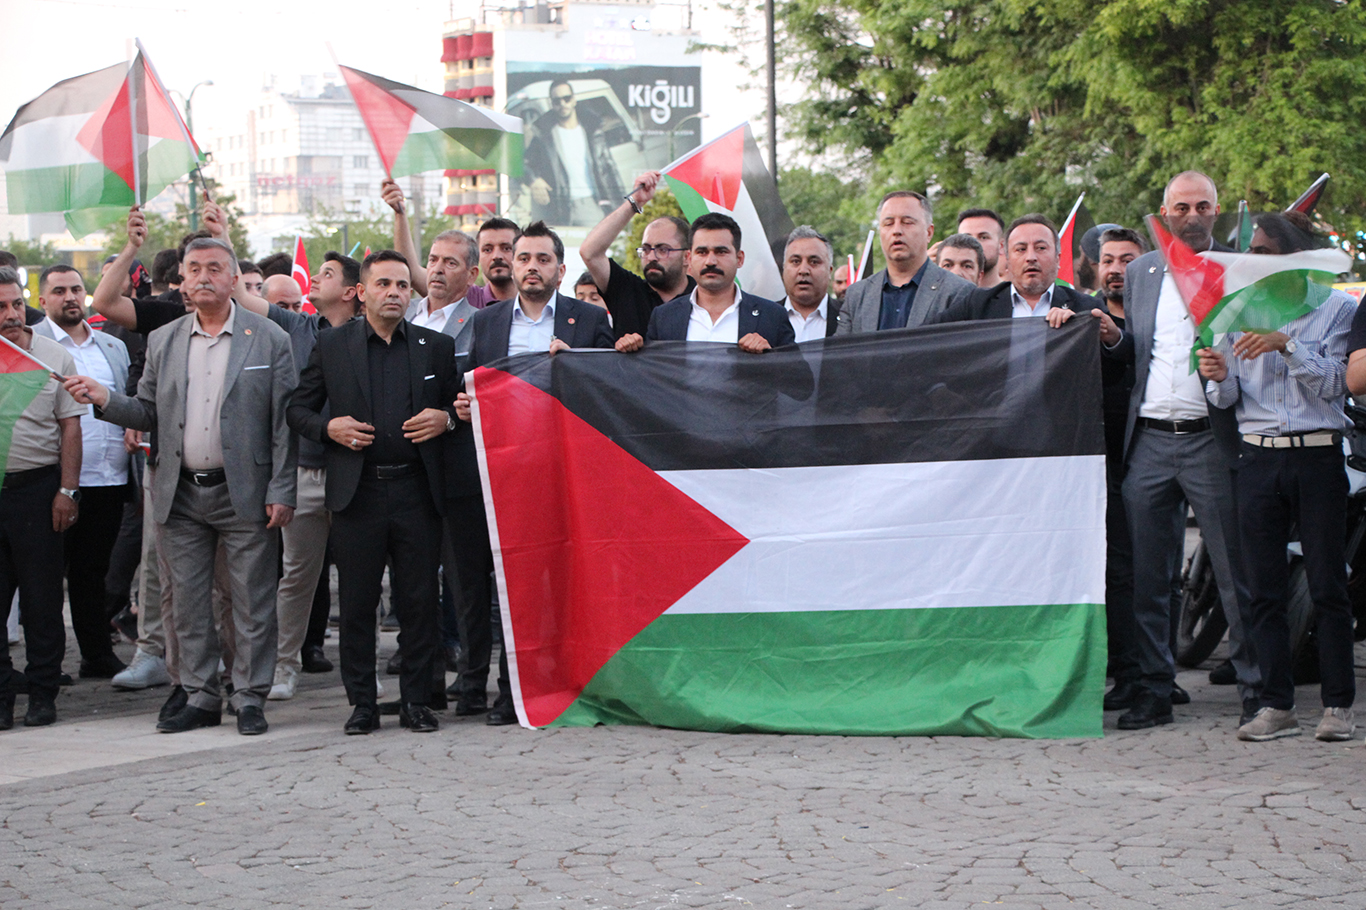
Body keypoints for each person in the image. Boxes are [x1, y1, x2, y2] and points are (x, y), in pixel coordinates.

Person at [65, 238, 299, 737]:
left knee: (251, 602)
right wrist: (106, 398)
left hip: (248, 492)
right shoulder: (166, 339)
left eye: (215, 268)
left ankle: (250, 696)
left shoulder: (268, 338)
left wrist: (283, 489)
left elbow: (284, 423)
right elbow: (147, 411)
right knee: (187, 602)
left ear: (233, 278)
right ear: (182, 280)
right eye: (194, 269)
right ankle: (199, 695)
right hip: (179, 491)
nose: (203, 277)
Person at [1198, 212, 1358, 742]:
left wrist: (1285, 345)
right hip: (1257, 457)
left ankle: (1338, 707)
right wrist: (1215, 377)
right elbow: (1225, 396)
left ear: (1294, 257)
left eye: (1265, 252)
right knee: (1262, 589)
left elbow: (1339, 386)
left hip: (1316, 456)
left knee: (1327, 584)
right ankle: (1277, 706)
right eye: (1252, 253)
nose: (1254, 262)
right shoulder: (1236, 311)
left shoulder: (1337, 308)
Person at [1109, 170, 1260, 731]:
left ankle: (1255, 690)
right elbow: (1140, 349)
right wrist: (1111, 338)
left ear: (1216, 211)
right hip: (1147, 440)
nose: (1191, 216)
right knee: (1150, 577)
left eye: (1202, 206)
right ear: (1164, 212)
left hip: (1211, 440)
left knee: (1232, 573)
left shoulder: (1237, 272)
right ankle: (1153, 689)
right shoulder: (1142, 271)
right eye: (1180, 207)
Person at [288, 251, 461, 735]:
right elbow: (297, 410)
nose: (395, 292)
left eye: (403, 285)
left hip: (417, 493)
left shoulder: (436, 346)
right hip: (357, 493)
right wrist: (330, 429)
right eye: (383, 283)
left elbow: (462, 410)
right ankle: (362, 703)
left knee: (419, 603)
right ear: (361, 292)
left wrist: (445, 418)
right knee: (359, 606)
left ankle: (416, 701)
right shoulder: (332, 345)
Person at [454, 222, 614, 724]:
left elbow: (614, 392)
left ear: (561, 270)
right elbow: (470, 388)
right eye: (523, 258)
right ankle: (512, 691)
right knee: (513, 587)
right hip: (503, 475)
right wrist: (463, 405)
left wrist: (581, 368)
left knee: (563, 586)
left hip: (566, 474)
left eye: (542, 259)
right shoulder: (486, 323)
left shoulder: (587, 321)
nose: (530, 267)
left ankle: (571, 683)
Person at [234, 251, 361, 700]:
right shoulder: (299, 326)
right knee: (296, 579)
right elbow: (240, 295)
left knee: (360, 580)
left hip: (358, 474)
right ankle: (284, 666)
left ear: (350, 291)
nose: (315, 279)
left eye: (327, 274)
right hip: (306, 472)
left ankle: (361, 670)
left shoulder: (374, 334)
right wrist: (224, 237)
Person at [33, 265, 131, 680]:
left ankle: (96, 653)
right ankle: (47, 664)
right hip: (57, 481)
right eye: (59, 291)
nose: (69, 297)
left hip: (109, 477)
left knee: (94, 572)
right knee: (46, 576)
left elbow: (126, 402)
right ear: (42, 301)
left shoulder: (112, 345)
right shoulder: (31, 349)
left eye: (76, 289)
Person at [0, 267, 83, 729]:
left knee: (42, 600)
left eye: (16, 303)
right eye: (1, 307)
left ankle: (43, 693)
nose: (12, 314)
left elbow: (71, 426)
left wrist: (66, 491)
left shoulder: (53, 356)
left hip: (38, 490)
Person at [1092, 227, 1147, 710]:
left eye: (1127, 259)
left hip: (1155, 455)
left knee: (1160, 571)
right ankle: (1127, 671)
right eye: (1108, 260)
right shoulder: (1080, 315)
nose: (1116, 269)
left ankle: (1157, 671)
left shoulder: (1160, 314)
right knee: (1121, 571)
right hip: (1104, 464)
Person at [615, 212, 793, 352]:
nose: (710, 261)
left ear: (739, 259)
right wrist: (630, 351)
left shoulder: (772, 316)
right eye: (702, 252)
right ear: (689, 258)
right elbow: (651, 380)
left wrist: (770, 357)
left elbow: (802, 386)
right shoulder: (663, 318)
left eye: (721, 251)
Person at [931, 215, 1120, 331]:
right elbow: (928, 340)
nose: (1031, 257)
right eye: (1021, 249)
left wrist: (1110, 337)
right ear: (1007, 258)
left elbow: (1115, 368)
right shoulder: (977, 304)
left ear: (1058, 258)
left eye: (1040, 248)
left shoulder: (1086, 307)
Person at [836, 191, 976, 334]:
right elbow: (841, 352)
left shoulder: (958, 292)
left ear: (929, 232)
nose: (896, 230)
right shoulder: (857, 295)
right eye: (888, 223)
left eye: (907, 222)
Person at [579, 171, 696, 338]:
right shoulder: (627, 291)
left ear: (687, 257)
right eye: (646, 249)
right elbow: (589, 252)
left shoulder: (702, 300)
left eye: (663, 249)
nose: (652, 257)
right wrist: (635, 203)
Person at [523, 78, 625, 225]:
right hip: (558, 208)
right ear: (552, 104)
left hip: (590, 204)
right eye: (557, 101)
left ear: (574, 100)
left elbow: (609, 167)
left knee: (592, 247)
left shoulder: (592, 130)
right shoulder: (544, 135)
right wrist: (533, 180)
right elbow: (524, 163)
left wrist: (623, 206)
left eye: (566, 98)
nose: (562, 104)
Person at [777, 225, 841, 342]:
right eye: (796, 261)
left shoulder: (849, 317)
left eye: (814, 262)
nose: (803, 270)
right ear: (783, 269)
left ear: (829, 271)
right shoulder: (764, 319)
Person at [465, 218, 521, 309]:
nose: (496, 256)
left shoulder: (539, 302)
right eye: (488, 250)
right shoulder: (466, 301)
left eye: (506, 248)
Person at [957, 208, 1008, 286]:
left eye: (983, 237)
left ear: (1001, 246)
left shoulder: (1015, 296)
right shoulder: (945, 295)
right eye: (966, 238)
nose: (974, 243)